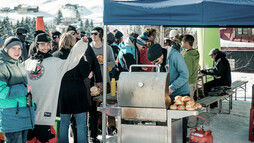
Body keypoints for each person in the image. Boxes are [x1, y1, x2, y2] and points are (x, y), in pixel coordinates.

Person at [25, 33, 89, 143]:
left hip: (45, 114)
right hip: (29, 114)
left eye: (48, 44)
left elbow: (71, 61)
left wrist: (81, 45)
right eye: (42, 44)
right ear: (36, 45)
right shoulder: (27, 63)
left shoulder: (55, 61)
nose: (46, 47)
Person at [53, 33, 91, 143]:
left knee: (64, 124)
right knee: (81, 124)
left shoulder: (55, 55)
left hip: (62, 91)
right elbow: (86, 73)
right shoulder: (78, 55)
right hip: (78, 90)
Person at [0, 37, 35, 143]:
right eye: (13, 48)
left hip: (22, 112)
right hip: (11, 115)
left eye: (19, 48)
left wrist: (32, 105)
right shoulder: (2, 65)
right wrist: (23, 89)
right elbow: (1, 91)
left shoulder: (18, 63)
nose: (17, 51)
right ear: (6, 49)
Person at [181, 35, 200, 99]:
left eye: (182, 41)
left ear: (186, 43)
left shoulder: (187, 55)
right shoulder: (195, 52)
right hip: (193, 80)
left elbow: (187, 71)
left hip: (187, 82)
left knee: (188, 102)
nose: (181, 42)